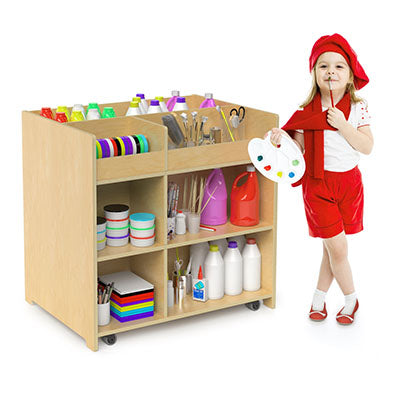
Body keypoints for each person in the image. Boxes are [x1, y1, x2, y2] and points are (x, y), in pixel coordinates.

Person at [269, 34, 373, 324]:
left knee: (331, 248)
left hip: (349, 184)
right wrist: (281, 139)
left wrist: (342, 124)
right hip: (318, 185)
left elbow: (367, 147)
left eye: (339, 66)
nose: (331, 72)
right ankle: (351, 300)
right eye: (323, 66)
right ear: (314, 73)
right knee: (338, 248)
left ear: (350, 75)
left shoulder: (359, 107)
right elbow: (297, 149)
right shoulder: (306, 112)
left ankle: (318, 297)